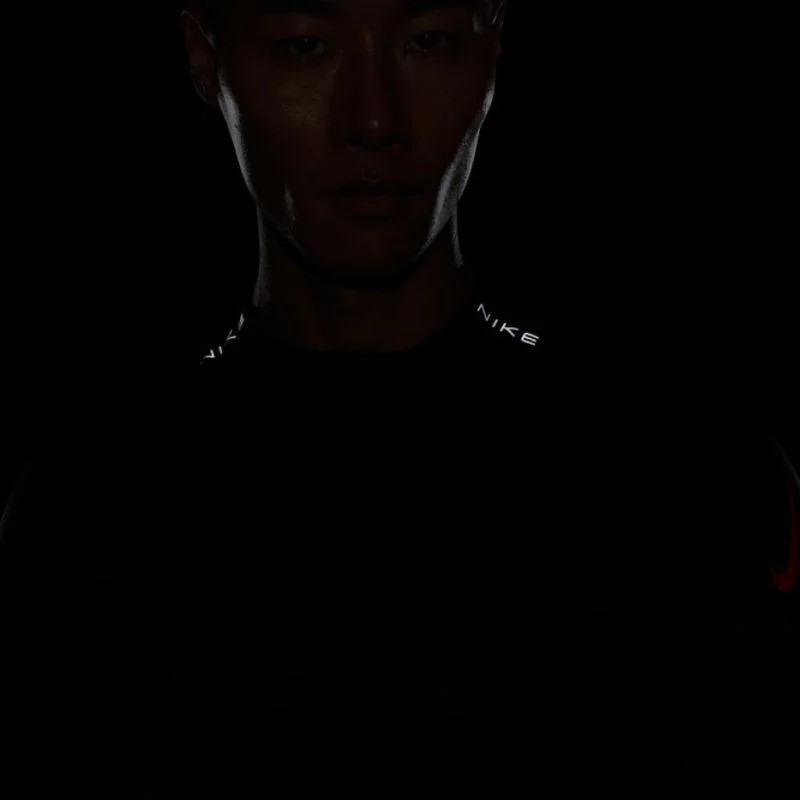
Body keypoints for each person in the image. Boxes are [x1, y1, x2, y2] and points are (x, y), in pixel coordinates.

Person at [1, 0, 796, 794]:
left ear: (492, 50)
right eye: (305, 45)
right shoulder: (86, 501)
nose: (374, 119)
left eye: (428, 41)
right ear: (207, 62)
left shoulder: (685, 459)